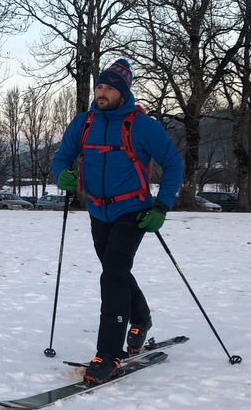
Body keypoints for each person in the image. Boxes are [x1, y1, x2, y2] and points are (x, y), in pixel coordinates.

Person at [52, 59, 184, 385]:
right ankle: (141, 319)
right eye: (99, 86)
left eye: (109, 87)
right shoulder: (83, 123)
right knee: (117, 270)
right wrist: (62, 175)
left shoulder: (143, 126)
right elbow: (62, 158)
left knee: (112, 274)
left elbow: (174, 163)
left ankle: (108, 355)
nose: (102, 92)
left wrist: (162, 206)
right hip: (98, 211)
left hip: (134, 211)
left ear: (122, 92)